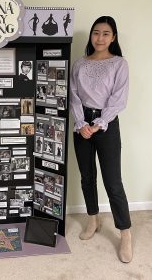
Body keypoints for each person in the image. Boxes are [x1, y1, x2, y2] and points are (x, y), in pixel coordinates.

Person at [70, 16, 132, 263]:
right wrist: (81, 123)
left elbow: (119, 99)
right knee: (87, 177)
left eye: (106, 33)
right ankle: (93, 219)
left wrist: (98, 124)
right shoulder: (80, 63)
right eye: (96, 33)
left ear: (113, 37)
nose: (100, 38)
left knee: (113, 182)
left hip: (106, 124)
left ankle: (125, 232)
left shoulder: (119, 64)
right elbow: (73, 94)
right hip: (82, 123)